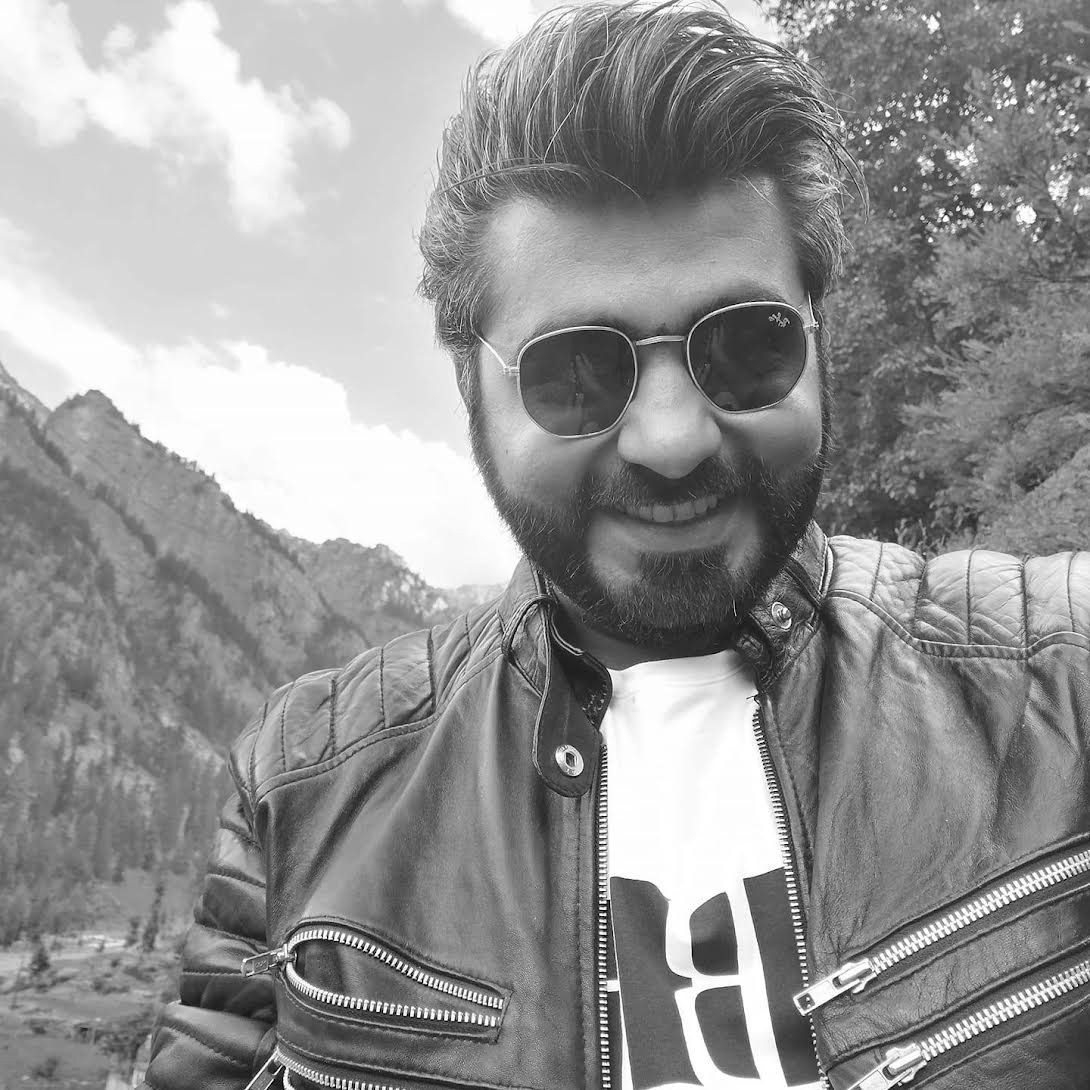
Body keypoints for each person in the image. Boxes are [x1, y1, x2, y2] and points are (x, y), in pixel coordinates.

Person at [141, 3, 1090, 1089]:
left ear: (820, 340)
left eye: (747, 345)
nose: (673, 440)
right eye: (577, 372)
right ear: (470, 388)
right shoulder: (302, 782)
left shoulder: (1060, 678)